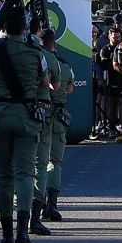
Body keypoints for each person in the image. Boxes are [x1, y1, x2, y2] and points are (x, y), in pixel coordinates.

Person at [0, 2, 49, 243]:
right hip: (25, 116)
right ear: (24, 28)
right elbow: (44, 85)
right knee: (25, 173)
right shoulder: (35, 52)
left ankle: (6, 235)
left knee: (3, 176)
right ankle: (23, 231)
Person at [37, 29, 74, 224]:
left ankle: (38, 203)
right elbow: (68, 89)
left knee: (40, 162)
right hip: (58, 115)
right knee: (55, 161)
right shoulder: (65, 65)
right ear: (55, 44)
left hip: (41, 113)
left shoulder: (36, 60)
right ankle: (52, 203)